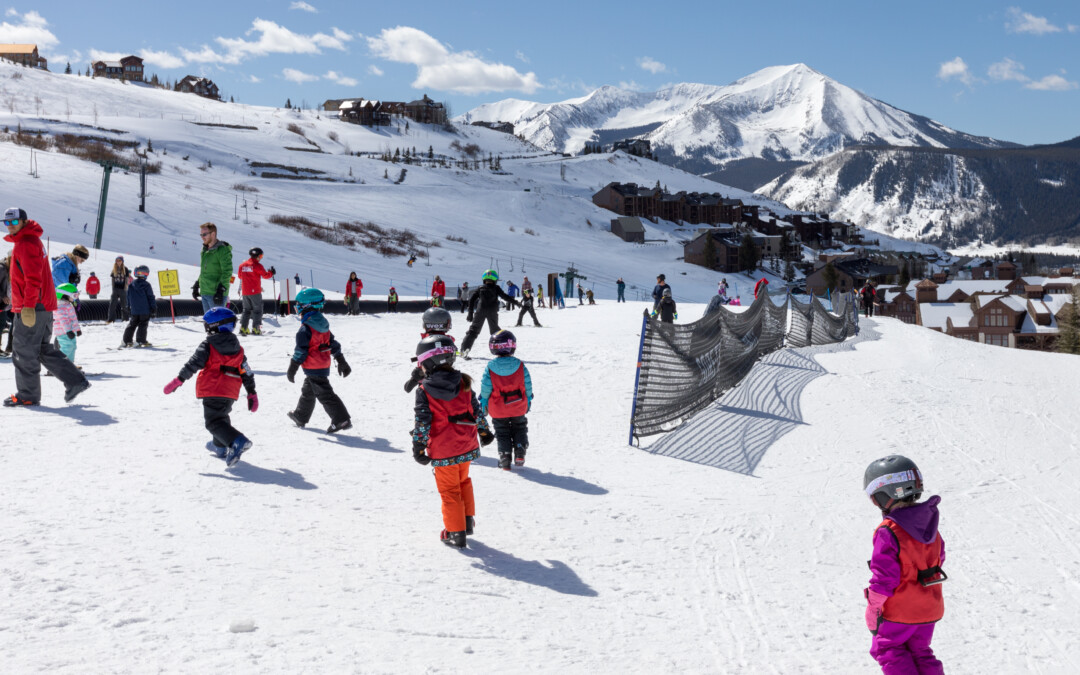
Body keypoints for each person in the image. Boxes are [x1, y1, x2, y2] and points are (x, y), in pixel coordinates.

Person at [864, 455, 946, 674]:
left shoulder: (889, 530)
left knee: (888, 649)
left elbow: (884, 579)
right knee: (920, 650)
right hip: (929, 607)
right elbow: (939, 558)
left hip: (900, 611)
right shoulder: (929, 525)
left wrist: (873, 609)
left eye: (874, 497)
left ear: (885, 496)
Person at [410, 333, 494, 548]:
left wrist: (419, 447)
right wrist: (483, 431)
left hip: (444, 449)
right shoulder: (464, 381)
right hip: (466, 445)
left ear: (429, 362)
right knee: (463, 481)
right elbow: (476, 411)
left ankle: (455, 533)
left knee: (449, 491)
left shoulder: (424, 390)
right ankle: (466, 522)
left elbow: (422, 422)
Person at [3, 207, 91, 407]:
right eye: (6, 223)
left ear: (24, 221)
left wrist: (28, 306)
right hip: (41, 305)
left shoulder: (25, 243)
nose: (10, 226)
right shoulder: (31, 239)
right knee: (41, 349)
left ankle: (27, 395)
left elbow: (33, 278)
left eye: (14, 222)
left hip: (32, 306)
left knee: (23, 350)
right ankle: (75, 381)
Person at [163, 307, 256, 467]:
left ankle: (237, 441)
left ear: (214, 326)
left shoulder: (209, 344)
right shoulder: (238, 349)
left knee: (213, 423)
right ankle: (220, 447)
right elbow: (246, 372)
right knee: (221, 418)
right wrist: (251, 392)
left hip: (213, 389)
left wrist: (179, 379)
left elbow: (193, 364)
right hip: (230, 392)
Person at [285, 288, 352, 434]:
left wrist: (293, 367)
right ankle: (300, 415)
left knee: (324, 394)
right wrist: (341, 360)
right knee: (308, 390)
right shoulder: (322, 324)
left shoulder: (305, 328)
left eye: (299, 304)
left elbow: (301, 350)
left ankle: (341, 419)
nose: (297, 307)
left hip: (313, 365)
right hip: (322, 363)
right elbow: (332, 343)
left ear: (307, 306)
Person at [480, 329, 533, 470]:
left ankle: (505, 456)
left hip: (498, 408)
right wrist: (528, 399)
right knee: (520, 427)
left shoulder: (490, 367)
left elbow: (486, 388)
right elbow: (527, 384)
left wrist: (484, 402)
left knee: (502, 431)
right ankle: (520, 451)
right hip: (518, 405)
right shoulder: (520, 365)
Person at [460, 269, 518, 360]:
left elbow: (471, 300)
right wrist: (516, 302)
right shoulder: (496, 288)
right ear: (495, 279)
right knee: (496, 332)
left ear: (484, 279)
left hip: (480, 311)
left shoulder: (480, 288)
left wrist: (470, 313)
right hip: (492, 312)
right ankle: (502, 352)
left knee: (473, 331)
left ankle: (464, 351)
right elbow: (505, 297)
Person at [404, 307, 454, 393]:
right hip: (445, 378)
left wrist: (416, 377)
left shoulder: (426, 342)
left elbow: (427, 361)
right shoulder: (447, 341)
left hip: (428, 382)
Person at [193, 223, 232, 313]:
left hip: (216, 294)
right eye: (201, 234)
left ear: (213, 234)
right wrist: (197, 284)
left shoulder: (222, 250)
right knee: (209, 324)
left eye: (204, 234)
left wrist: (221, 289)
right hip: (205, 292)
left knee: (217, 323)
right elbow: (204, 271)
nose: (202, 237)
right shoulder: (204, 250)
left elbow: (227, 271)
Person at [237, 247, 275, 336]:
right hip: (255, 292)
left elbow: (240, 276)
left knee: (246, 310)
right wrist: (271, 273)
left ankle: (243, 328)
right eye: (261, 256)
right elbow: (265, 275)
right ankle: (256, 329)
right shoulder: (257, 266)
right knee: (257, 310)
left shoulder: (242, 265)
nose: (261, 258)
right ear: (257, 256)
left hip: (245, 292)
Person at [121, 265, 156, 348]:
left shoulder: (131, 285)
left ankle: (126, 341)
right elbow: (151, 297)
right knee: (143, 325)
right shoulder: (146, 285)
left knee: (132, 324)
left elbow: (128, 297)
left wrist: (128, 306)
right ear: (146, 274)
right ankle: (140, 341)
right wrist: (153, 308)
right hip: (144, 310)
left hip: (134, 310)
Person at [52, 283, 81, 365]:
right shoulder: (60, 306)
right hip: (63, 332)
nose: (76, 298)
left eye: (77, 295)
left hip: (70, 331)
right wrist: (68, 331)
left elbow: (73, 319)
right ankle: (58, 365)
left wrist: (77, 329)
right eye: (74, 296)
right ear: (65, 295)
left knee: (73, 347)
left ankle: (69, 365)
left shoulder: (68, 305)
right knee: (66, 348)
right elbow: (63, 320)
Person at [106, 256, 130, 323]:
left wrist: (125, 288)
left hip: (123, 289)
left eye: (120, 261)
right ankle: (111, 319)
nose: (118, 262)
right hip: (115, 289)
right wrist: (113, 288)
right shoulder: (114, 269)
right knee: (112, 305)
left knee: (124, 305)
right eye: (117, 261)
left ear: (122, 261)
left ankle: (125, 319)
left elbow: (127, 279)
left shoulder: (125, 269)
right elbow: (113, 280)